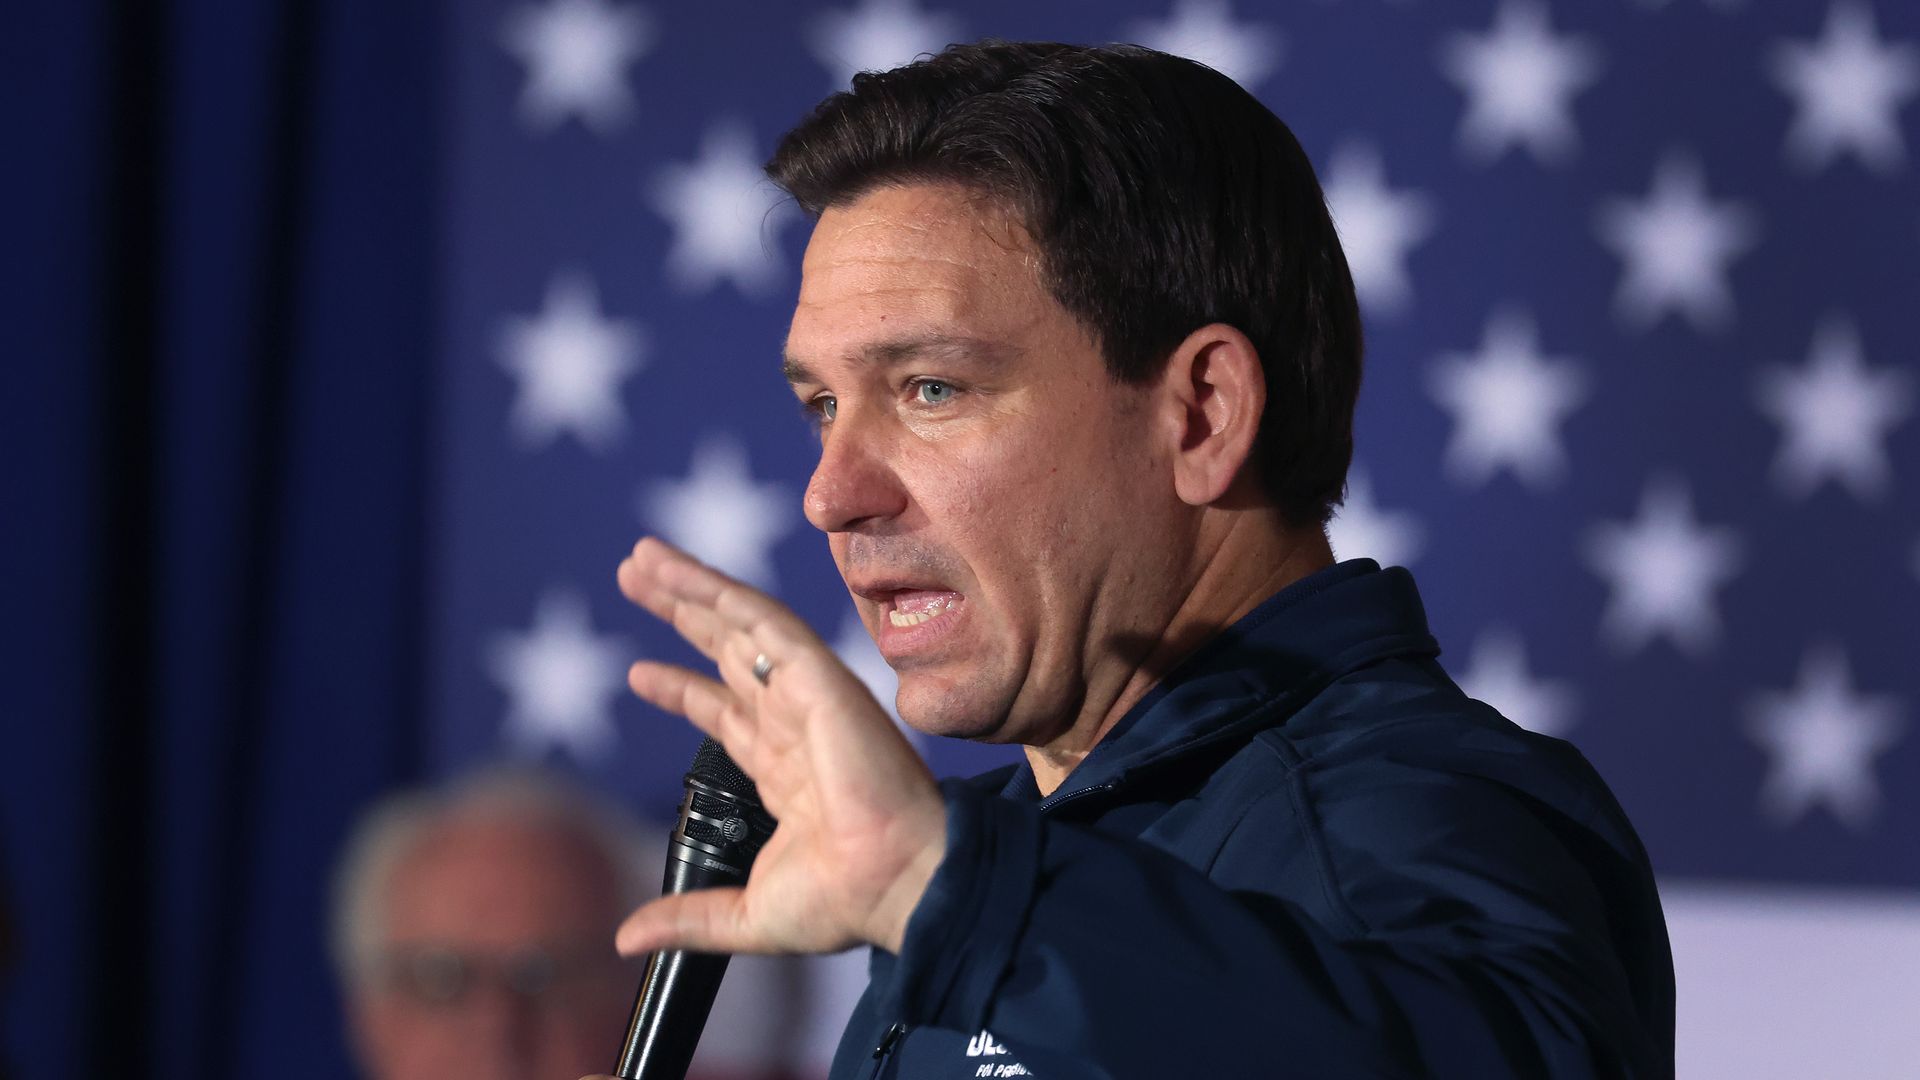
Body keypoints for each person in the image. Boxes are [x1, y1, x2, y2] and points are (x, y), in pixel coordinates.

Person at [599, 41, 1674, 1079]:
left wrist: (943, 890)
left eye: (932, 388)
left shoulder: (1403, 817)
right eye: (822, 405)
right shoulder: (1003, 864)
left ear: (1201, 415)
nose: (832, 493)